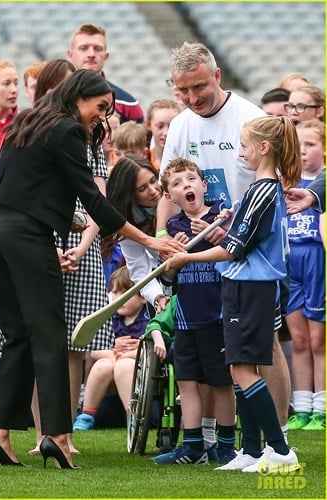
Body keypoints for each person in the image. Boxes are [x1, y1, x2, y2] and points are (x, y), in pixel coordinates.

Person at [0, 69, 182, 469]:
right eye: (100, 107)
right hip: (25, 236)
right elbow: (93, 199)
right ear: (78, 97)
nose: (103, 117)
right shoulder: (68, 130)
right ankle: (57, 436)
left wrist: (55, 222)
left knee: (18, 334)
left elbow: (23, 183)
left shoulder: (29, 121)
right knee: (51, 336)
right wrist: (149, 240)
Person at [157, 41, 292, 446]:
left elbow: (274, 188)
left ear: (217, 76)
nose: (193, 98)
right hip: (202, 256)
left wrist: (233, 232)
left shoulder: (250, 118)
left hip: (248, 258)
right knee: (226, 350)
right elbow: (167, 190)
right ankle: (231, 440)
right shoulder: (181, 124)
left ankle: (278, 435)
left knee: (262, 343)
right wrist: (164, 238)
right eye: (183, 90)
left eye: (199, 87)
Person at [165, 115, 301, 473]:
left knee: (242, 369)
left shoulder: (263, 190)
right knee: (239, 366)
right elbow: (240, 235)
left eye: (243, 146)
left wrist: (186, 257)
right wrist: (230, 218)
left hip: (251, 286)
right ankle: (253, 451)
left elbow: (234, 249)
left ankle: (280, 449)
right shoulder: (257, 192)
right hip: (242, 285)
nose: (241, 153)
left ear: (263, 148)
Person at [151, 158, 236, 466]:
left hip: (217, 317)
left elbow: (234, 259)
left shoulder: (222, 218)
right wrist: (173, 258)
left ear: (203, 185)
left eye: (191, 179)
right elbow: (167, 279)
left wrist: (221, 234)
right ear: (170, 197)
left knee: (221, 383)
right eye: (176, 183)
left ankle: (226, 446)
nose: (186, 185)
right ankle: (193, 446)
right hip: (185, 320)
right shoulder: (173, 229)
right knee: (186, 382)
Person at [74, 265, 149, 430]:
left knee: (124, 366)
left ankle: (134, 417)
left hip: (140, 378)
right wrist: (113, 352)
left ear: (143, 296)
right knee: (103, 364)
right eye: (114, 292)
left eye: (124, 293)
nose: (117, 298)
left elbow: (154, 352)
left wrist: (135, 352)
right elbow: (93, 349)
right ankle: (86, 415)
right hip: (108, 383)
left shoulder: (149, 320)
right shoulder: (109, 319)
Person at [286, 119, 325, 431]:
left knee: (318, 339)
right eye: (298, 145)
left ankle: (321, 407)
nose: (303, 151)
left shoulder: (323, 184)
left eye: (310, 144)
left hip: (317, 260)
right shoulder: (287, 182)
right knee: (298, 339)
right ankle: (301, 407)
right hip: (290, 264)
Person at [106, 154, 170, 314]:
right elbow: (141, 273)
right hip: (165, 286)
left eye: (153, 180)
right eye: (142, 189)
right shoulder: (129, 224)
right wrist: (158, 298)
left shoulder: (173, 193)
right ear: (130, 195)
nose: (153, 190)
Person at [67, 23, 144, 123]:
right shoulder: (54, 97)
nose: (91, 54)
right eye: (83, 48)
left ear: (106, 56)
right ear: (70, 54)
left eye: (98, 49)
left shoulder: (127, 105)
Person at [145, 99, 181, 170]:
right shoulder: (142, 160)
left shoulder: (188, 157)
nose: (166, 132)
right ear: (148, 125)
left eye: (172, 126)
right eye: (160, 126)